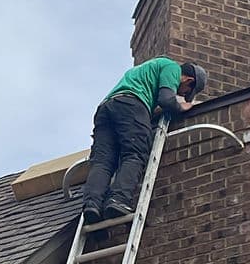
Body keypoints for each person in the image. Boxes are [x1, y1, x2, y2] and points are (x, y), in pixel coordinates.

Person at [82, 57, 207, 225]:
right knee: (134, 154)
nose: (180, 94)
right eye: (184, 92)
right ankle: (118, 200)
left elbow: (155, 100)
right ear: (188, 80)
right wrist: (181, 107)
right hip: (131, 105)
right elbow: (166, 99)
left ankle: (92, 204)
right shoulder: (172, 68)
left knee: (103, 161)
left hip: (107, 108)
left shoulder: (147, 71)